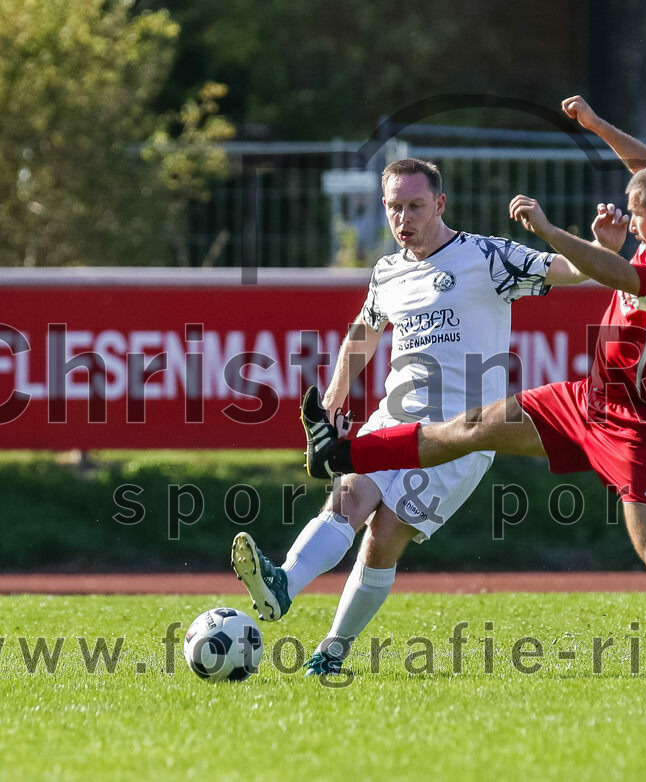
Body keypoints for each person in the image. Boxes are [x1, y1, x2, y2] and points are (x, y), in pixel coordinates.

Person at [303, 96, 646, 684]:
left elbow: (620, 274)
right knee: (473, 426)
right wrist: (599, 127)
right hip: (588, 400)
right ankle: (341, 453)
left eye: (635, 216)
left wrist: (553, 232)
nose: (627, 219)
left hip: (642, 425)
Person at [232, 157, 589, 675]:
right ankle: (282, 584)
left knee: (382, 539)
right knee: (348, 498)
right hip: (394, 417)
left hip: (462, 436)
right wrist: (333, 401)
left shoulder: (487, 257)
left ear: (439, 204)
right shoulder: (387, 271)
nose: (405, 218)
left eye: (416, 206)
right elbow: (364, 332)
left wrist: (600, 244)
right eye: (395, 207)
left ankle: (332, 650)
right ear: (384, 208)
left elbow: (575, 271)